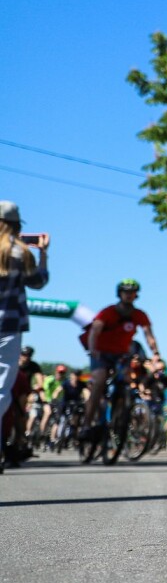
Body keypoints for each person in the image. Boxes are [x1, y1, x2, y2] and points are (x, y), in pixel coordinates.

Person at [0, 201, 48, 473]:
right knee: (1, 389)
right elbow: (39, 282)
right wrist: (43, 254)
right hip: (8, 326)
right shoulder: (20, 252)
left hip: (9, 327)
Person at [81, 279, 162, 437]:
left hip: (121, 355)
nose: (129, 295)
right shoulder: (108, 312)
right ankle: (87, 424)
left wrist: (156, 354)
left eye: (132, 292)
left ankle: (120, 416)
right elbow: (95, 331)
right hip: (101, 352)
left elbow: (149, 335)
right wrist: (93, 350)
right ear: (120, 294)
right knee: (99, 380)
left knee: (126, 381)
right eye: (126, 292)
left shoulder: (139, 315)